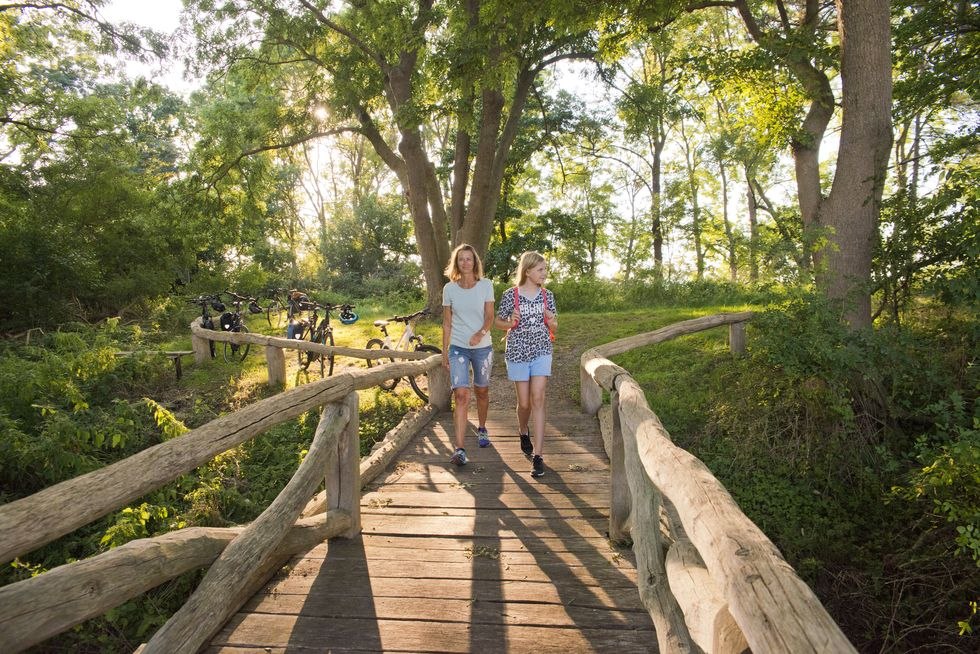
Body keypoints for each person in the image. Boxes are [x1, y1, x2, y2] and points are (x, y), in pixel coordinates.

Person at [494, 251, 557, 478]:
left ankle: (538, 456)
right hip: (518, 351)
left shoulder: (548, 296)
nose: (544, 273)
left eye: (545, 269)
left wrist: (551, 320)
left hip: (541, 350)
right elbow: (498, 322)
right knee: (524, 403)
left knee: (538, 398)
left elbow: (555, 327)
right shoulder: (511, 295)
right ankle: (523, 430)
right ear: (528, 271)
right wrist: (510, 322)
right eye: (540, 269)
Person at [442, 243, 495, 466]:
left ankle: (482, 428)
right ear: (456, 263)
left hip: (482, 347)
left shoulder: (486, 285)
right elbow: (446, 324)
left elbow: (490, 316)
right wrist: (445, 352)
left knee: (481, 391)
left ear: (475, 263)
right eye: (461, 259)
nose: (465, 262)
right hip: (457, 347)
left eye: (469, 259)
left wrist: (480, 333)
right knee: (461, 395)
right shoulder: (449, 289)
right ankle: (460, 449)